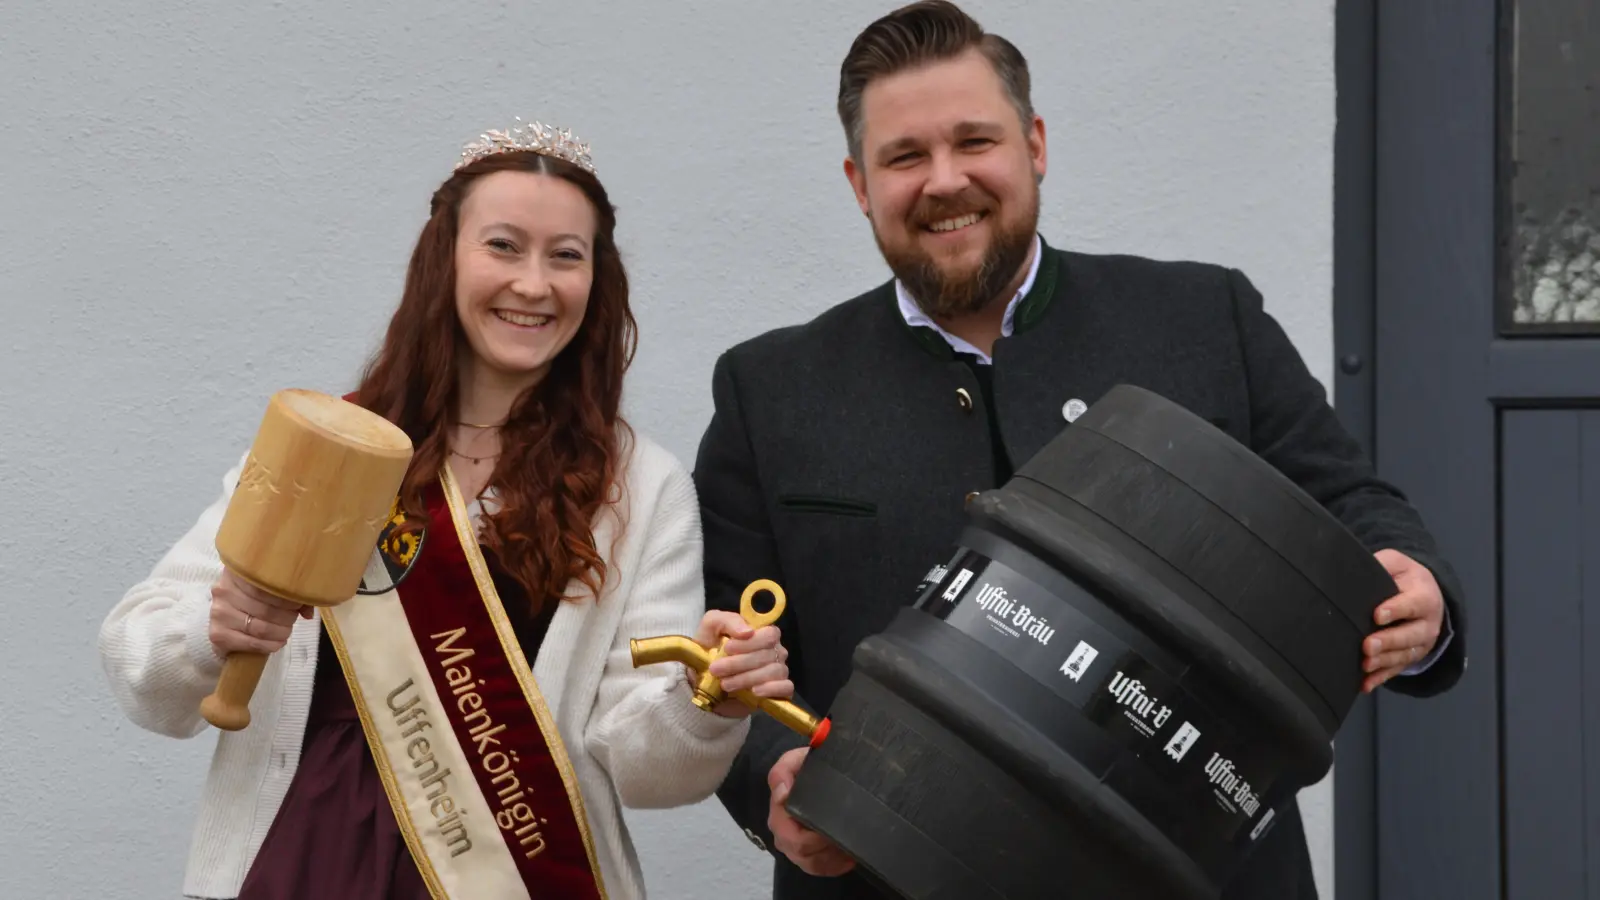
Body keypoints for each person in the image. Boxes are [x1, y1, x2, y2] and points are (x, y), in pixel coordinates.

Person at [691, 3, 1465, 899]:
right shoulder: (768, 388)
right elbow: (727, 660)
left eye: (975, 141)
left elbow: (1352, 504)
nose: (945, 181)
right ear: (860, 183)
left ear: (1036, 146)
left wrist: (1422, 590)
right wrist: (777, 780)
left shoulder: (1205, 319)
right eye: (905, 156)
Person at [98, 119, 795, 900]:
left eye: (566, 255)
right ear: (445, 259)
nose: (533, 284)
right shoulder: (334, 443)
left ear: (597, 281)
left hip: (520, 871)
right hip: (302, 859)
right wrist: (212, 628)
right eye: (503, 246)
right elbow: (138, 664)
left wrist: (708, 701)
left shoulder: (639, 486)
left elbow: (643, 769)